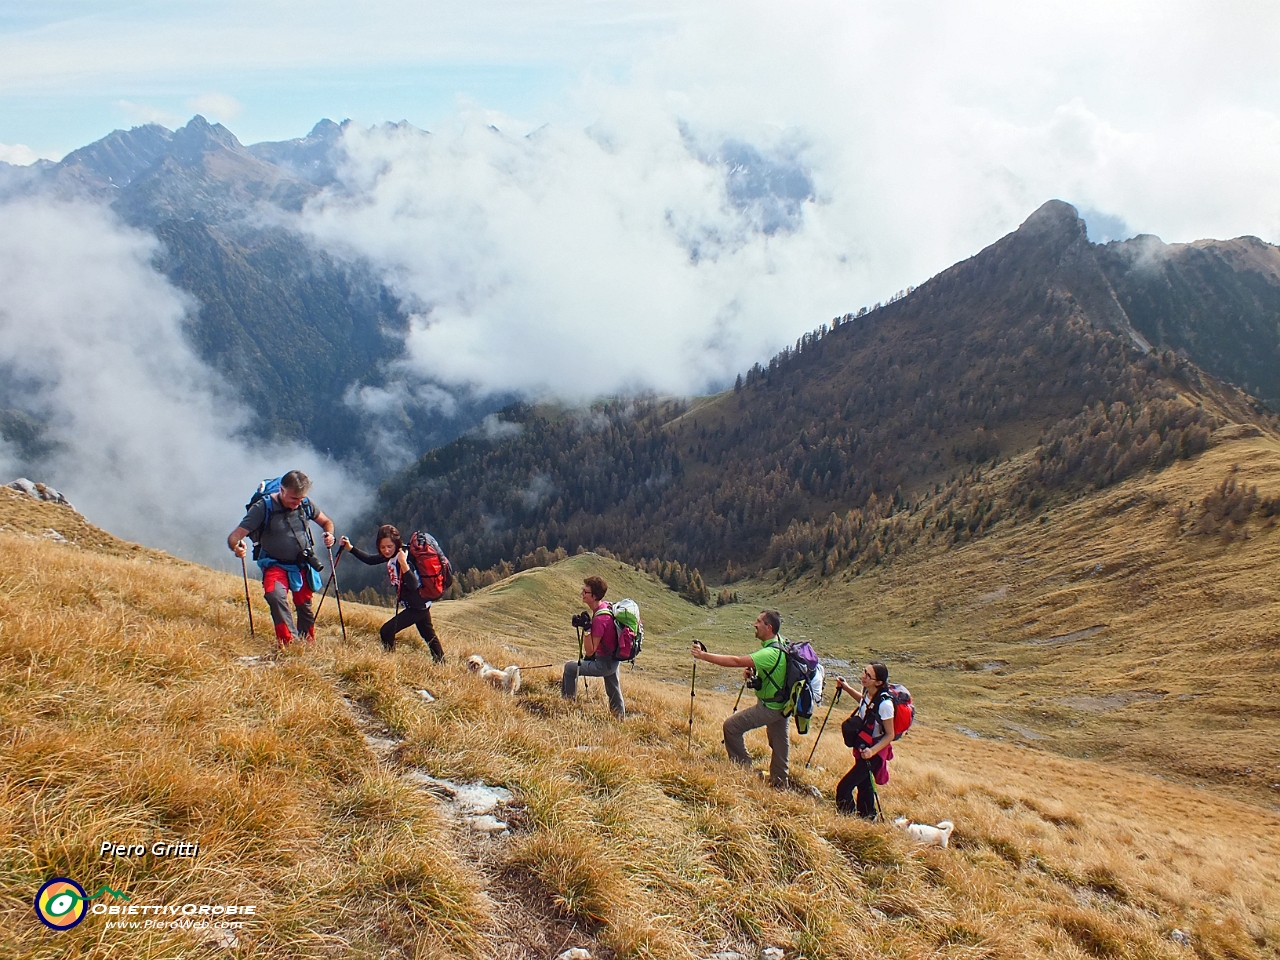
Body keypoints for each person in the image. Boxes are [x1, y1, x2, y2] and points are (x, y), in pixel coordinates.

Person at [227, 470, 335, 648]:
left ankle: (308, 642)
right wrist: (236, 547)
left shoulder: (305, 503)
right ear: (282, 490)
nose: (297, 503)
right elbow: (235, 536)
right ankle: (290, 644)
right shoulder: (263, 507)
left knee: (304, 605)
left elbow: (326, 522)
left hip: (302, 564)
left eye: (301, 499)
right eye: (294, 499)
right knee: (275, 596)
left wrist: (329, 535)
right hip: (274, 563)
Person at [691, 610, 791, 788]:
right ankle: (780, 782)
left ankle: (743, 770)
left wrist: (703, 656)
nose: (755, 624)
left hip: (770, 707)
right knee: (779, 742)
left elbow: (737, 661)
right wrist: (756, 673)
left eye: (759, 621)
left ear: (769, 627)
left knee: (731, 727)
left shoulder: (770, 653)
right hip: (784, 705)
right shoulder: (780, 643)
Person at [339, 525, 445, 662]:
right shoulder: (393, 554)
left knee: (386, 631)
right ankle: (441, 662)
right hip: (421, 603)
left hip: (417, 606)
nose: (386, 550)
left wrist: (403, 563)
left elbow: (413, 585)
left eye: (389, 546)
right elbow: (371, 560)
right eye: (382, 547)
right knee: (428, 634)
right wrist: (350, 548)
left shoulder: (403, 557)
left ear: (396, 543)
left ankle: (390, 662)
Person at [834, 663, 896, 819]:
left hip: (873, 752)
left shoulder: (885, 705)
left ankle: (846, 819)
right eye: (864, 672)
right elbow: (864, 703)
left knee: (844, 788)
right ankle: (867, 816)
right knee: (865, 785)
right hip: (864, 747)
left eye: (869, 675)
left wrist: (872, 751)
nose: (863, 676)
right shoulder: (869, 693)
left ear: (879, 682)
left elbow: (890, 734)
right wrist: (846, 687)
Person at [561, 576, 625, 719]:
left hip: (603, 663)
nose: (581, 594)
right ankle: (619, 718)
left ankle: (567, 705)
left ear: (594, 596)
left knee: (569, 668)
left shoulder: (600, 618)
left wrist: (587, 629)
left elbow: (590, 650)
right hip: (613, 659)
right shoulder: (605, 607)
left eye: (585, 592)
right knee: (613, 688)